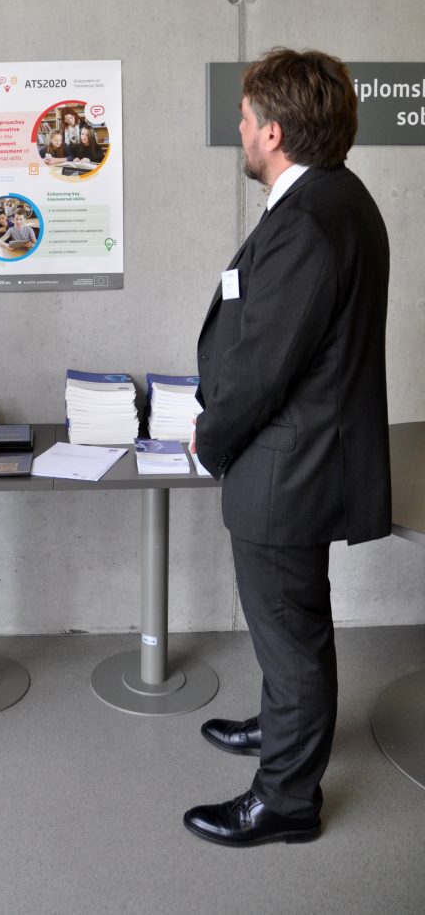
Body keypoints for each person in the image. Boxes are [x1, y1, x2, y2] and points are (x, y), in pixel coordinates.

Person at [185, 48, 391, 847]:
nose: (239, 129)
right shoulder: (333, 198)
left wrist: (210, 435)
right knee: (293, 623)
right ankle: (281, 732)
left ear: (272, 132)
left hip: (286, 469)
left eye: (245, 118)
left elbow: (266, 364)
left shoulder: (308, 219)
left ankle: (285, 801)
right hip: (302, 458)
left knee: (291, 636)